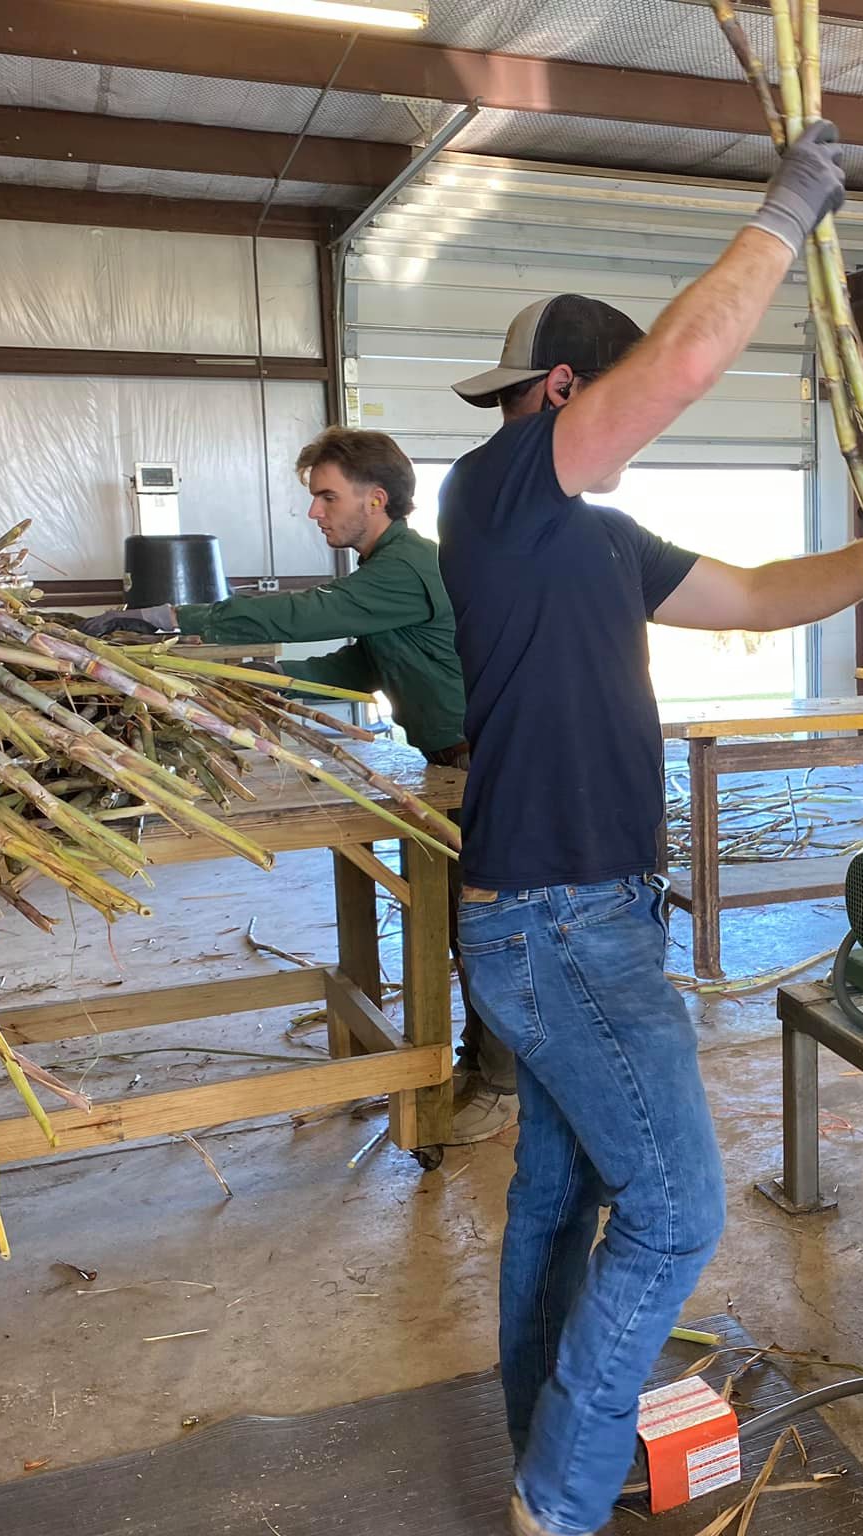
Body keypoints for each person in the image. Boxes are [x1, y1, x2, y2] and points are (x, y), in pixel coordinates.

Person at [439, 122, 863, 1536]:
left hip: (575, 914)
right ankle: (558, 1499)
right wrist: (789, 208)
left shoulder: (597, 540)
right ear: (564, 395)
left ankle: (545, 1445)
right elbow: (678, 365)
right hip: (556, 925)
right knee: (674, 1214)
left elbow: (752, 595)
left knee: (561, 1194)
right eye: (600, 404)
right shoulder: (494, 494)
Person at [82, 428, 516, 1142]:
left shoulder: (405, 568)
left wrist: (176, 619)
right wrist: (249, 683)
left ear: (375, 500)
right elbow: (356, 667)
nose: (315, 513)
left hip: (487, 763)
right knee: (461, 924)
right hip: (452, 762)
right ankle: (481, 1064)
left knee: (481, 927)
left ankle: (501, 1083)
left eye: (326, 497)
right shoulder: (386, 575)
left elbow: (307, 614)